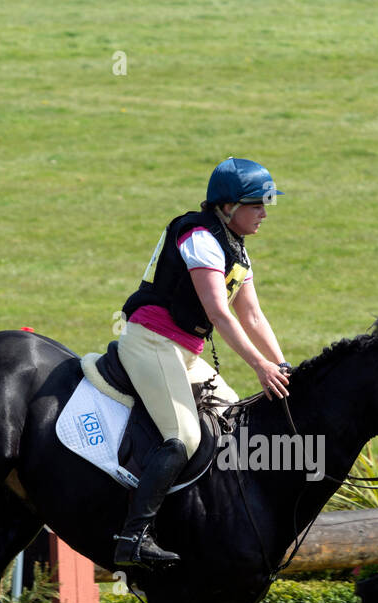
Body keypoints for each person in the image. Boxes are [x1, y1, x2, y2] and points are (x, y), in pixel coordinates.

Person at [112, 157, 292, 568]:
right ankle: (132, 537)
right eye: (257, 205)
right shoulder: (200, 238)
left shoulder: (236, 249)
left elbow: (253, 316)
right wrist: (258, 367)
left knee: (236, 424)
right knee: (183, 437)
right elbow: (219, 314)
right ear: (228, 206)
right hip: (150, 343)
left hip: (185, 353)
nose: (265, 213)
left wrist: (282, 366)